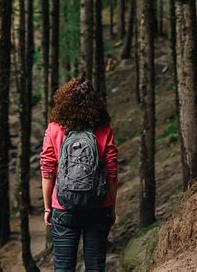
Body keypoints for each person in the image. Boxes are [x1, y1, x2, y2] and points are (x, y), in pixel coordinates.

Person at [40, 77, 118, 272]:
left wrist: (48, 207)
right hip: (99, 207)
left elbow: (48, 170)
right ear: (94, 103)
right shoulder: (103, 129)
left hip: (64, 208)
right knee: (95, 266)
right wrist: (111, 205)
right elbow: (111, 172)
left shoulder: (54, 129)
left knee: (63, 268)